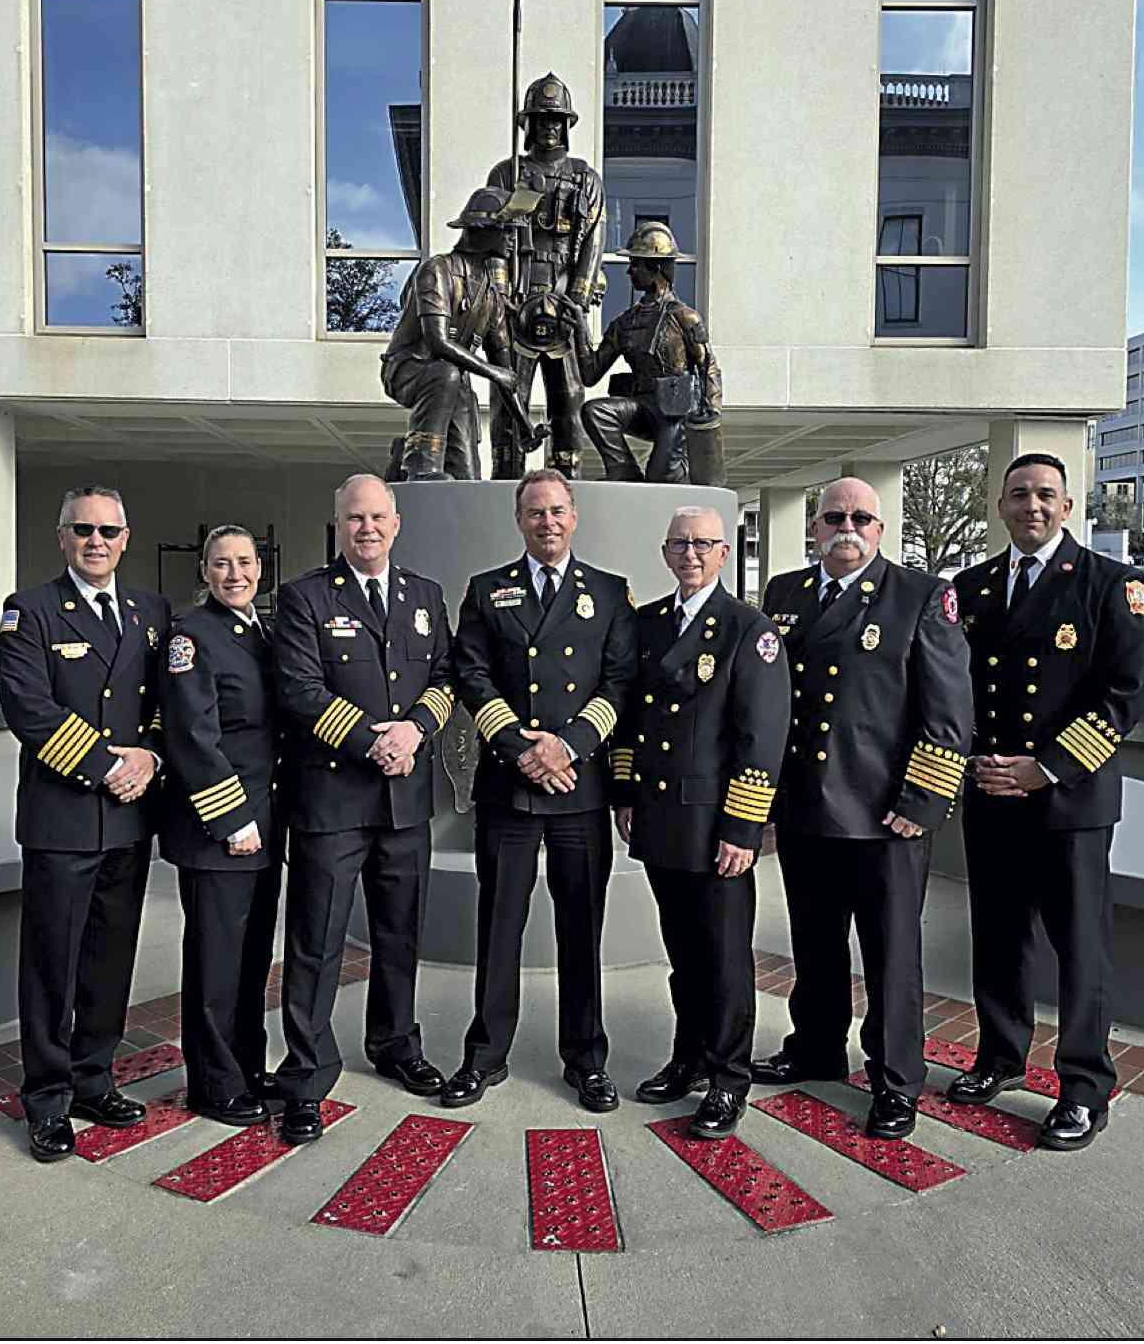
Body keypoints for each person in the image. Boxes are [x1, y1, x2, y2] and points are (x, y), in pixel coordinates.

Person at [949, 452, 1144, 1150]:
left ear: (1067, 506)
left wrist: (1046, 768)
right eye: (1018, 494)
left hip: (1069, 801)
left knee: (1080, 949)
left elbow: (1128, 693)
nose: (1031, 505)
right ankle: (1000, 1055)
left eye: (1045, 494)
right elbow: (954, 687)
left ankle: (1083, 1088)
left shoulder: (1110, 584)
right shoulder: (973, 587)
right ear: (1000, 506)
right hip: (993, 792)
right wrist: (973, 760)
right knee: (998, 936)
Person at [752, 478, 974, 1141]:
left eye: (860, 518)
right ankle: (816, 1046)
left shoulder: (920, 596)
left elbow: (948, 712)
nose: (845, 527)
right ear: (814, 527)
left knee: (891, 954)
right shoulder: (786, 593)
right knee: (814, 942)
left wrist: (922, 801)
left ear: (880, 529)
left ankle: (896, 1078)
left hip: (885, 817)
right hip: (806, 807)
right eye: (833, 517)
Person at [439, 469, 637, 1113]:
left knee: (581, 928)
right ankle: (484, 1055)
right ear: (519, 520)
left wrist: (566, 746)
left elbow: (619, 681)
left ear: (573, 516)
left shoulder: (609, 591)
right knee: (499, 926)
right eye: (534, 512)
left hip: (579, 786)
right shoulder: (486, 589)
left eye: (556, 511)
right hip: (510, 785)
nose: (546, 522)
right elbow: (471, 674)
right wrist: (521, 749)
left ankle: (586, 1059)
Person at [270, 474, 457, 1143]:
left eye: (377, 517)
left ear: (396, 523)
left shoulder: (425, 595)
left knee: (399, 933)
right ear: (338, 525)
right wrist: (372, 742)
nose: (367, 528)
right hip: (332, 801)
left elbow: (444, 678)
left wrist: (415, 730)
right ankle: (305, 1074)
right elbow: (299, 688)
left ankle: (396, 1043)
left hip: (405, 800)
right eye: (355, 518)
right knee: (316, 942)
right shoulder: (304, 597)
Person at [0, 486, 173, 1162]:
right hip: (62, 819)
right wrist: (108, 766)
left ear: (126, 538)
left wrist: (151, 755)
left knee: (109, 959)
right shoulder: (30, 610)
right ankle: (45, 1098)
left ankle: (94, 1079)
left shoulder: (151, 611)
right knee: (52, 966)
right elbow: (29, 709)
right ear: (62, 536)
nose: (96, 541)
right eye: (83, 529)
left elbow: (169, 699)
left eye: (108, 530)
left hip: (128, 819)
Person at [608, 507, 789, 1138]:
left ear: (724, 552)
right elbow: (630, 718)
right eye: (680, 544)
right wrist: (625, 792)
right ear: (666, 552)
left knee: (725, 958)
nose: (691, 554)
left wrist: (743, 828)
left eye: (704, 544)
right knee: (683, 952)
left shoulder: (748, 629)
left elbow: (762, 735)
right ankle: (687, 1058)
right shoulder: (648, 623)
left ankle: (728, 1077)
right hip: (661, 818)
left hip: (716, 824)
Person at [156, 525, 282, 1126]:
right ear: (204, 572)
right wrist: (233, 820)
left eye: (245, 562)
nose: (236, 574)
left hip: (266, 823)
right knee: (215, 962)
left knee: (252, 957)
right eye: (222, 564)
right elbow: (191, 735)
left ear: (260, 567)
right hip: (221, 828)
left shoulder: (264, 632)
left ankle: (247, 1067)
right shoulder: (190, 636)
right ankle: (213, 1084)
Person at [484, 73, 606, 480]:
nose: (549, 127)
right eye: (540, 119)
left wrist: (577, 299)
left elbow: (593, 241)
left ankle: (565, 483)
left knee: (568, 399)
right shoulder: (507, 174)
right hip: (515, 303)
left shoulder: (585, 178)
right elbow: (491, 237)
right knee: (509, 398)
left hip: (564, 302)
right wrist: (502, 295)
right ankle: (506, 475)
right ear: (528, 124)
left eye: (556, 120)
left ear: (566, 125)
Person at [380, 188, 527, 482]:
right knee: (446, 373)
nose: (514, 240)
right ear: (484, 230)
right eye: (508, 231)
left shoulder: (491, 294)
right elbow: (437, 343)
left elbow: (505, 372)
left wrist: (525, 425)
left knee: (467, 477)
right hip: (410, 368)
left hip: (453, 382)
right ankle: (420, 465)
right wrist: (494, 373)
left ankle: (403, 462)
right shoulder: (437, 270)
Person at [567, 221, 725, 486]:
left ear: (656, 268)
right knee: (595, 412)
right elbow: (590, 373)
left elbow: (708, 365)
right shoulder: (625, 322)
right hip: (643, 407)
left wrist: (711, 413)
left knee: (661, 476)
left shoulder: (684, 317)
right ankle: (624, 472)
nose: (629, 271)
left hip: (676, 412)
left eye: (636, 264)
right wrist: (579, 326)